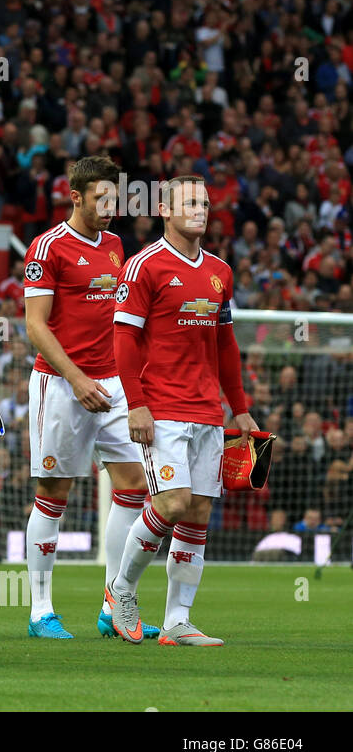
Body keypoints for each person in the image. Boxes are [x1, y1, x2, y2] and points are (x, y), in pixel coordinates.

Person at [108, 175, 257, 646]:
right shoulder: (143, 266)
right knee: (170, 504)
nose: (201, 210)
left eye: (206, 203)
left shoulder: (220, 272)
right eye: (191, 202)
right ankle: (121, 591)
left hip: (208, 412)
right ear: (166, 211)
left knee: (196, 514)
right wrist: (136, 405)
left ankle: (178, 621)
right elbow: (124, 338)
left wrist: (241, 408)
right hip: (162, 408)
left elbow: (226, 344)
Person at [21, 155, 153, 639]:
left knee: (135, 484)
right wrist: (76, 378)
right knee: (54, 494)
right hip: (60, 385)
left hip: (113, 384)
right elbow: (35, 326)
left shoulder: (117, 246)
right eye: (101, 199)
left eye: (114, 199)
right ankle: (40, 611)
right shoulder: (48, 247)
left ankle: (112, 604)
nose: (109, 208)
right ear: (75, 197)